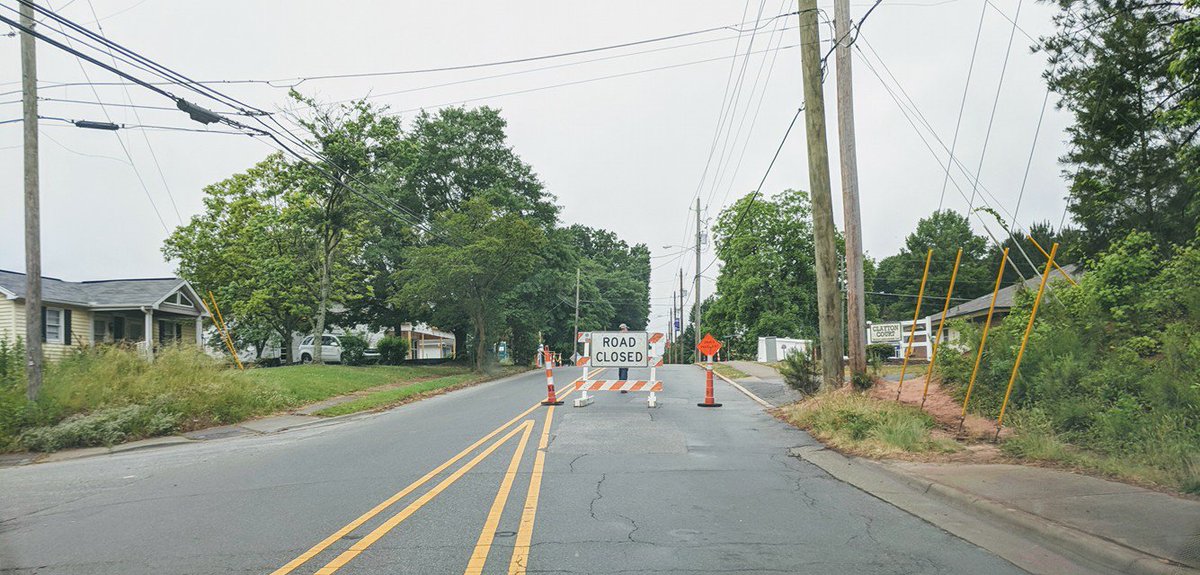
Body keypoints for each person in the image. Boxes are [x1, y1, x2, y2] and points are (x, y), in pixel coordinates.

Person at [617, 323, 630, 391]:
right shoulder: (626, 335)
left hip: (620, 355)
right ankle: (623, 386)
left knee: (621, 370)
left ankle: (621, 384)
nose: (627, 330)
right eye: (626, 328)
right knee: (624, 369)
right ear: (624, 329)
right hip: (624, 355)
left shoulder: (617, 336)